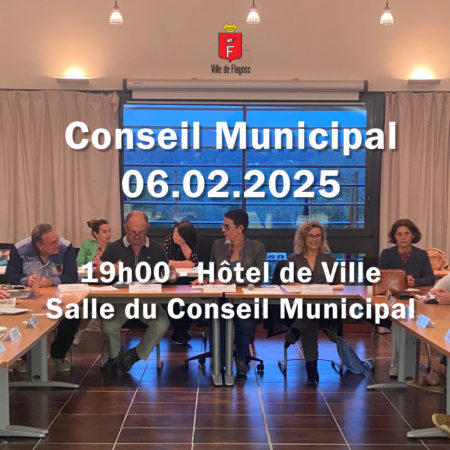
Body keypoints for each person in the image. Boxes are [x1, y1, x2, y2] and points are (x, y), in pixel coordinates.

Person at [98, 211, 171, 373]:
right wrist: (105, 270)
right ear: (125, 228)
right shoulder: (113, 247)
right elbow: (97, 274)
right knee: (108, 325)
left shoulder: (157, 248)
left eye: (141, 232)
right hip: (120, 301)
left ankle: (135, 354)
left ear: (148, 228)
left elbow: (166, 275)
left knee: (161, 323)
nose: (137, 236)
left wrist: (171, 276)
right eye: (133, 232)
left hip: (147, 301)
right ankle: (115, 357)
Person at [5, 223, 79, 372]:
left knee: (73, 315)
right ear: (39, 245)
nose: (58, 244)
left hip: (60, 298)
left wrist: (51, 281)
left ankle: (58, 354)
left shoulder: (66, 247)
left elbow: (72, 276)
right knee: (24, 318)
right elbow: (9, 276)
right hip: (30, 299)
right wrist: (26, 280)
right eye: (53, 243)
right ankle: (27, 358)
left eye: (57, 239)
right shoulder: (20, 249)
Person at [283, 221, 340, 386]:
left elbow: (339, 284)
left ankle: (296, 332)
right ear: (303, 238)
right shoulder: (294, 260)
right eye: (311, 236)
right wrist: (294, 284)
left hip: (326, 307)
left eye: (318, 236)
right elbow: (286, 283)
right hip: (299, 306)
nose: (315, 239)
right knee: (310, 314)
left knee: (311, 313)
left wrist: (326, 288)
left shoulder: (329, 260)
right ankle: (311, 368)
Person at [210, 209, 266, 376]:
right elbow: (213, 273)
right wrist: (206, 279)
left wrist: (230, 280)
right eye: (223, 225)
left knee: (244, 320)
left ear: (240, 228)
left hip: (245, 300)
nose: (223, 230)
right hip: (221, 299)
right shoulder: (218, 246)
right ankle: (219, 360)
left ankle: (242, 358)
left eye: (227, 227)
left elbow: (258, 278)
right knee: (218, 318)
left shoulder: (257, 248)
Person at [379, 218, 435, 377]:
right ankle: (399, 366)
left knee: (409, 319)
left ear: (413, 235)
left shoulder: (421, 255)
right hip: (391, 301)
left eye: (406, 233)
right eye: (399, 234)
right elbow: (379, 278)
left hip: (416, 302)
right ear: (394, 236)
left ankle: (402, 365)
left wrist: (415, 281)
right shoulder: (387, 254)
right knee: (400, 319)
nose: (403, 237)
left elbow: (430, 279)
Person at [74, 219, 112, 345]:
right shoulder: (87, 244)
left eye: (109, 231)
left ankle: (110, 335)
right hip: (89, 281)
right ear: (95, 234)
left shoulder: (113, 247)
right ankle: (80, 331)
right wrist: (94, 266)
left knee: (103, 307)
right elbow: (79, 264)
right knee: (91, 306)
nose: (108, 234)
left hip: (107, 284)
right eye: (104, 232)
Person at [162, 221, 199, 344]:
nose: (175, 235)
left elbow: (194, 262)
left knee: (194, 304)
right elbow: (165, 261)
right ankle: (181, 333)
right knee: (171, 304)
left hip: (191, 280)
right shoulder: (168, 241)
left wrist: (183, 245)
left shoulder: (193, 242)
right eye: (174, 232)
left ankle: (181, 332)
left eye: (178, 233)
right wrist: (185, 263)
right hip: (172, 280)